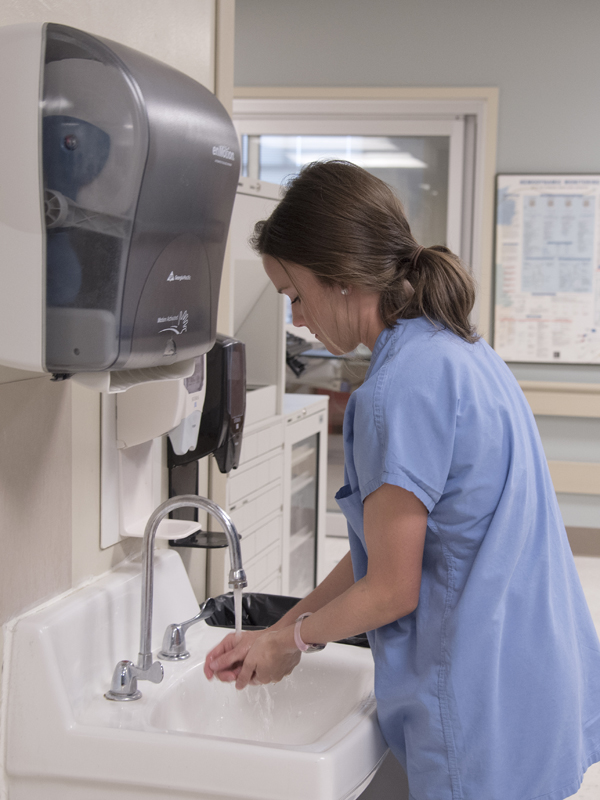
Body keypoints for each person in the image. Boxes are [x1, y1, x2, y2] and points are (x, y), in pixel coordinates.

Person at [204, 160, 600, 800]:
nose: (298, 320)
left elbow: (391, 589)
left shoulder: (397, 392)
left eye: (295, 295)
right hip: (533, 675)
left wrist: (295, 642)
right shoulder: (458, 349)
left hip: (476, 702)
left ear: (340, 279)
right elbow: (379, 553)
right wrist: (281, 631)